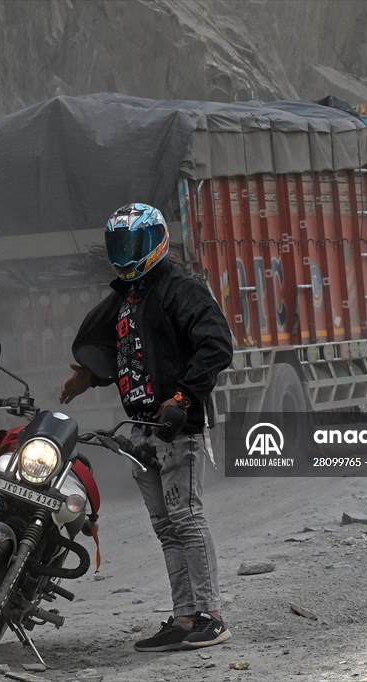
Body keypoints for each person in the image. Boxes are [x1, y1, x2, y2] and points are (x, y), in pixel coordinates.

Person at [59, 202, 234, 651]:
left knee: (187, 518)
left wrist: (184, 396)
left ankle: (211, 616)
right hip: (139, 430)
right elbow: (128, 350)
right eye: (120, 243)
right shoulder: (126, 295)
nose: (127, 251)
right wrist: (89, 375)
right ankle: (183, 617)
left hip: (178, 427)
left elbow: (216, 345)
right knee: (165, 525)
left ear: (156, 241)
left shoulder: (181, 288)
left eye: (134, 242)